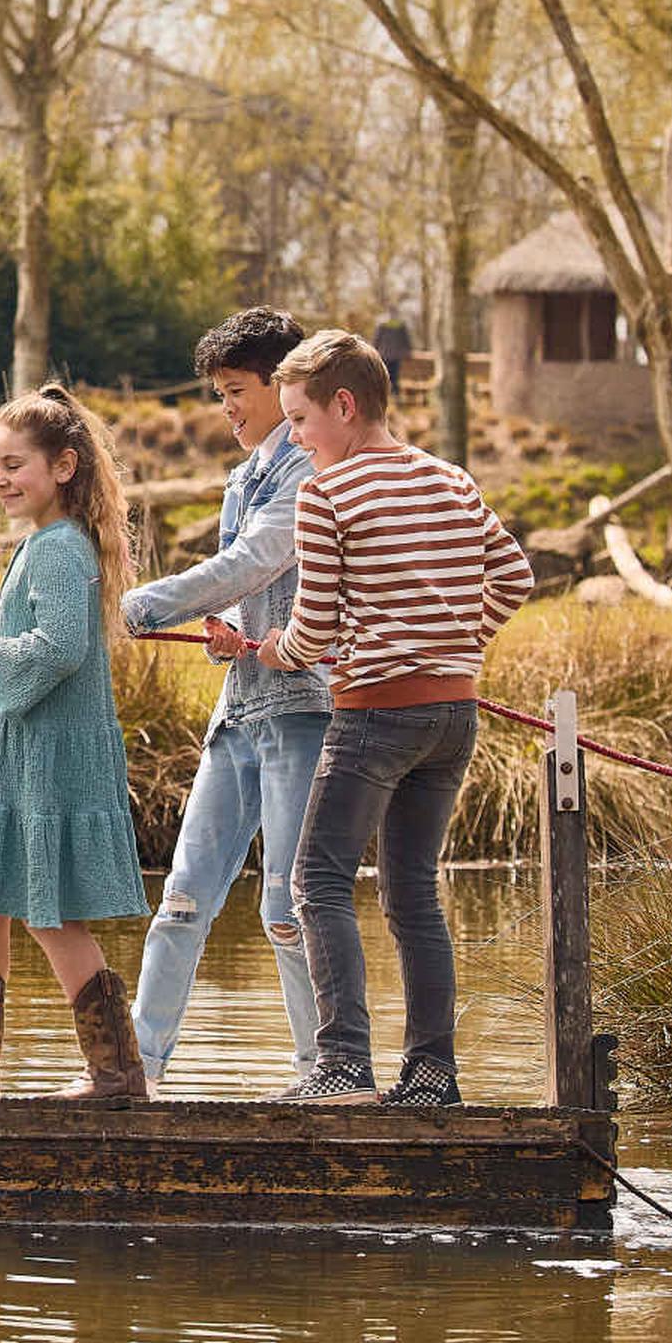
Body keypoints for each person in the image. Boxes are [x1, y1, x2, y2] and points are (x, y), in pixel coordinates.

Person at [254, 330, 537, 1107]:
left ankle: (342, 1063)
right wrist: (451, 644)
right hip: (453, 714)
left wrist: (268, 649)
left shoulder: (328, 494)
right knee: (413, 893)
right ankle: (432, 1074)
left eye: (301, 420)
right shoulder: (450, 479)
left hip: (375, 716)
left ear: (344, 407)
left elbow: (311, 634)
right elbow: (515, 575)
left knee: (317, 879)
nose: (296, 439)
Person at [116, 307, 327, 1098]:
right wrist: (229, 628)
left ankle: (323, 1073)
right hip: (241, 707)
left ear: (283, 384)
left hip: (303, 708)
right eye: (219, 393)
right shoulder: (247, 474)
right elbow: (250, 590)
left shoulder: (308, 469)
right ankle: (136, 1069)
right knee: (181, 897)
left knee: (285, 905)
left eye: (237, 391)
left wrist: (135, 607)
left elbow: (261, 557)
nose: (227, 409)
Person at [0, 386, 152, 1101]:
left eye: (14, 464)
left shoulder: (59, 549)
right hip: (13, 751)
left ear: (63, 466)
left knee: (47, 910)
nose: (0, 480)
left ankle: (117, 1075)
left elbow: (57, 649)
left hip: (43, 755)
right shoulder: (43, 543)